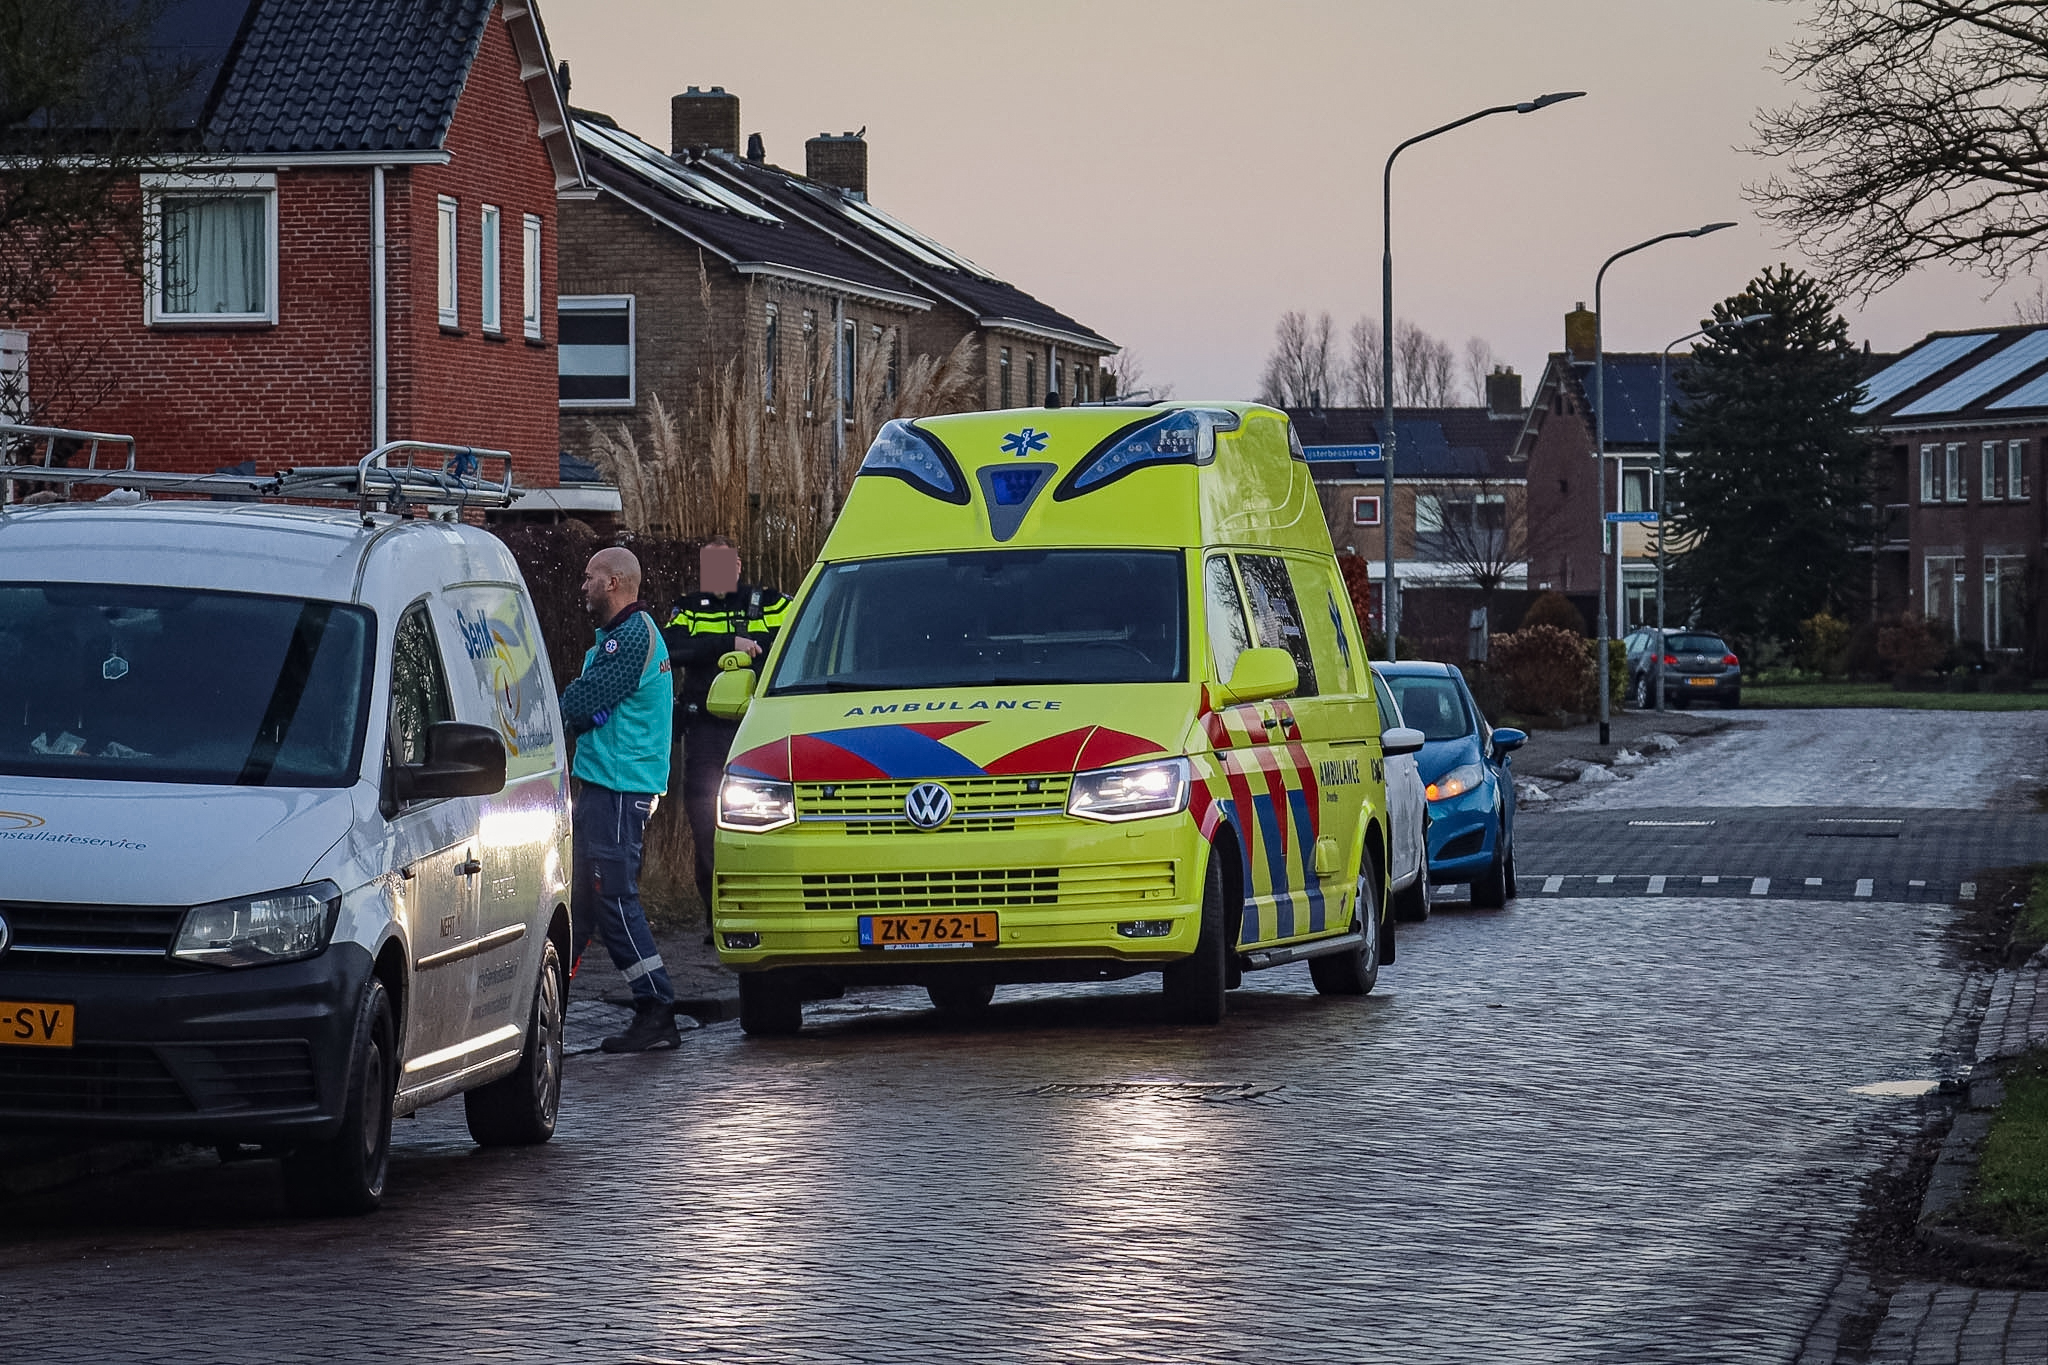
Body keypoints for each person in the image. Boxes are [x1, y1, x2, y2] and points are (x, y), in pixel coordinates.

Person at [559, 546, 680, 1054]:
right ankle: (545, 1003)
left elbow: (580, 704)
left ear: (613, 583)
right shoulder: (621, 637)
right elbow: (590, 707)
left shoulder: (628, 639)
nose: (582, 586)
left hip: (618, 789)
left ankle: (656, 1005)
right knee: (583, 904)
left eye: (589, 578)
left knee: (612, 896)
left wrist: (575, 706)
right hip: (608, 787)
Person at [664, 537, 790, 940]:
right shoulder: (689, 608)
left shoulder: (769, 602)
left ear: (738, 566)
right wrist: (727, 645)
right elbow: (671, 648)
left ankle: (766, 910)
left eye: (725, 564)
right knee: (705, 825)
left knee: (765, 821)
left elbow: (800, 638)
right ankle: (714, 916)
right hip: (704, 731)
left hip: (757, 729)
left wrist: (757, 650)